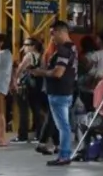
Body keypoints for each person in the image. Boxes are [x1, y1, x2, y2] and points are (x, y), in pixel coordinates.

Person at [31, 21, 78, 166]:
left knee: (62, 126)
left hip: (59, 92)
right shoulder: (73, 48)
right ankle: (64, 153)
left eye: (53, 33)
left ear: (61, 32)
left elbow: (58, 72)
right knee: (63, 124)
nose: (51, 37)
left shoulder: (63, 50)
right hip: (68, 90)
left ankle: (64, 155)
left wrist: (40, 72)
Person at [12, 38, 45, 144]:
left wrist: (15, 80)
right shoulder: (41, 55)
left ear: (33, 46)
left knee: (23, 110)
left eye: (26, 44)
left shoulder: (29, 56)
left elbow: (20, 69)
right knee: (36, 109)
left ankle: (23, 135)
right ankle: (39, 134)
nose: (24, 47)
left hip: (27, 85)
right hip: (37, 85)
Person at [0, 34, 14, 147]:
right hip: (0, 84)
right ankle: (0, 137)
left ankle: (1, 138)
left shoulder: (4, 54)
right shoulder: (5, 54)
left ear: (1, 42)